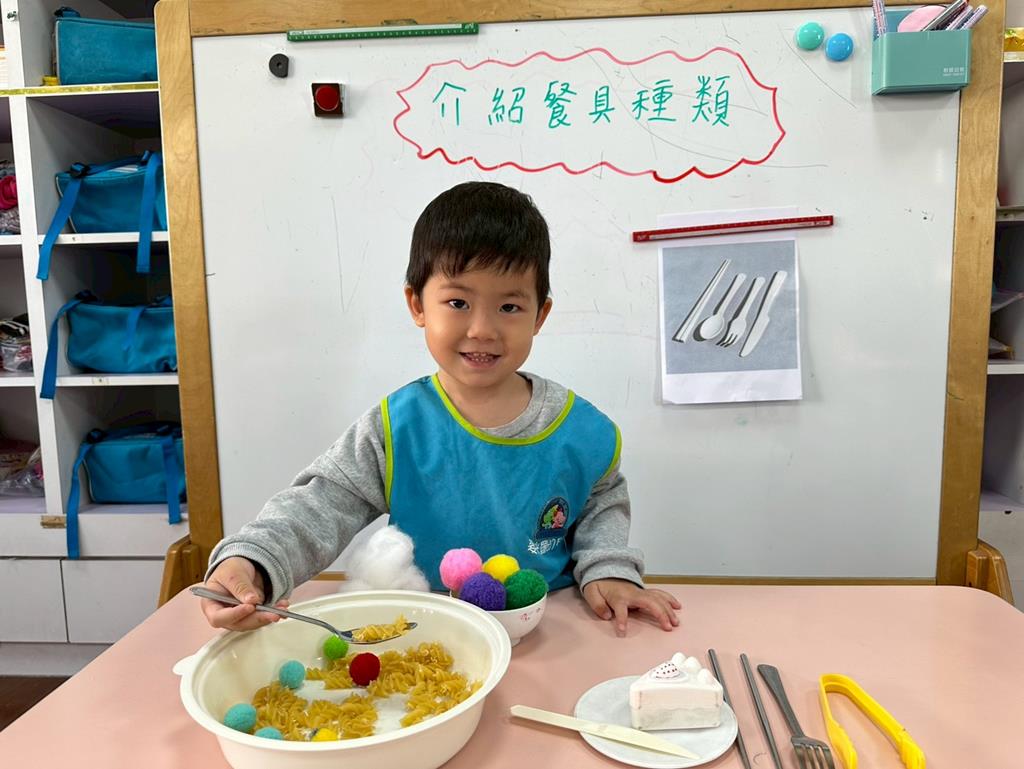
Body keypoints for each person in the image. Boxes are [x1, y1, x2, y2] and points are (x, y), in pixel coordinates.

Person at [200, 181, 680, 636]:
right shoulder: (396, 427)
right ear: (417, 305)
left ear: (540, 314)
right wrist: (254, 561)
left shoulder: (580, 431)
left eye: (509, 307)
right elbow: (321, 505)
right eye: (457, 302)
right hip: (425, 635)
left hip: (549, 628)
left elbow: (600, 504)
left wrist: (609, 569)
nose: (482, 329)